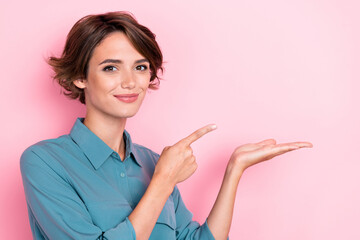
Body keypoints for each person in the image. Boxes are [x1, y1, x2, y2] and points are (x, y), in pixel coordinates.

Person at [20, 11, 313, 240]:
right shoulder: (45, 162)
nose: (129, 82)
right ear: (79, 77)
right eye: (111, 67)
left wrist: (234, 169)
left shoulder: (154, 162)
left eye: (140, 67)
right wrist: (163, 181)